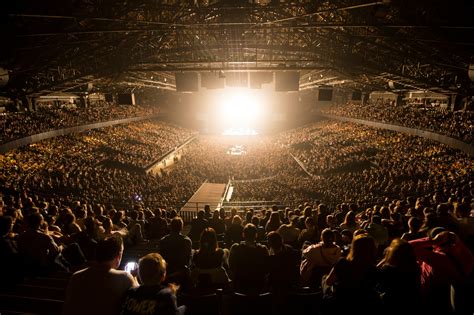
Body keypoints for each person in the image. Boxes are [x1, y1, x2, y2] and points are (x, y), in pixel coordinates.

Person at [63, 236, 137, 315]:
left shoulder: (76, 276)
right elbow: (140, 302)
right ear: (118, 256)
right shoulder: (124, 277)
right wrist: (134, 277)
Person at [322, 234, 380, 315]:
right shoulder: (374, 270)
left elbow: (329, 282)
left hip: (341, 302)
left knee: (325, 279)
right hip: (364, 305)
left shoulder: (343, 263)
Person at [376, 238, 422, 315]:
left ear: (393, 253)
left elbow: (375, 277)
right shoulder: (416, 267)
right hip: (412, 304)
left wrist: (385, 259)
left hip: (391, 305)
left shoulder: (388, 269)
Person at [229, 223, 269, 293]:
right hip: (259, 286)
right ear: (256, 235)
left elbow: (231, 266)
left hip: (240, 286)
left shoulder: (235, 248)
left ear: (243, 234)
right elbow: (267, 268)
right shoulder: (263, 249)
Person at [158, 217, 192, 285]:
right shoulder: (186, 241)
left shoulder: (163, 241)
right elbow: (188, 259)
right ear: (181, 227)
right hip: (182, 273)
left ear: (170, 227)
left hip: (167, 272)